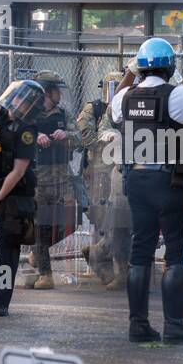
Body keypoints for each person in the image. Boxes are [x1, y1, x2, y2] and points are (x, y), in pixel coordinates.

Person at [110, 37, 183, 344]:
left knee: (141, 252)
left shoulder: (123, 98)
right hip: (168, 182)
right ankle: (175, 325)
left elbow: (117, 100)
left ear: (140, 67)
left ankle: (137, 325)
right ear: (170, 67)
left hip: (135, 181)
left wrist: (130, 70)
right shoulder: (178, 95)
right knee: (177, 253)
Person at [0, 79, 45, 318]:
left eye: (23, 99)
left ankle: (2, 301)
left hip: (14, 195)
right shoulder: (1, 119)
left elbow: (18, 171)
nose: (17, 102)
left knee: (8, 250)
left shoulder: (26, 130)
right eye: (16, 96)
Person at [78, 71, 130, 291]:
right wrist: (107, 137)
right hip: (99, 171)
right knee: (102, 221)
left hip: (119, 170)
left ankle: (105, 259)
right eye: (111, 87)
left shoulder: (125, 108)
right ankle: (101, 262)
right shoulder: (95, 109)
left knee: (118, 222)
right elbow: (86, 137)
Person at [29, 70, 80, 289]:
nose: (59, 94)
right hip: (39, 179)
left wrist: (67, 136)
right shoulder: (30, 116)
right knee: (41, 225)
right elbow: (17, 136)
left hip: (62, 178)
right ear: (45, 92)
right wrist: (34, 137)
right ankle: (45, 274)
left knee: (69, 222)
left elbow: (79, 137)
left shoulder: (63, 115)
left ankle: (38, 253)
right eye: (55, 90)